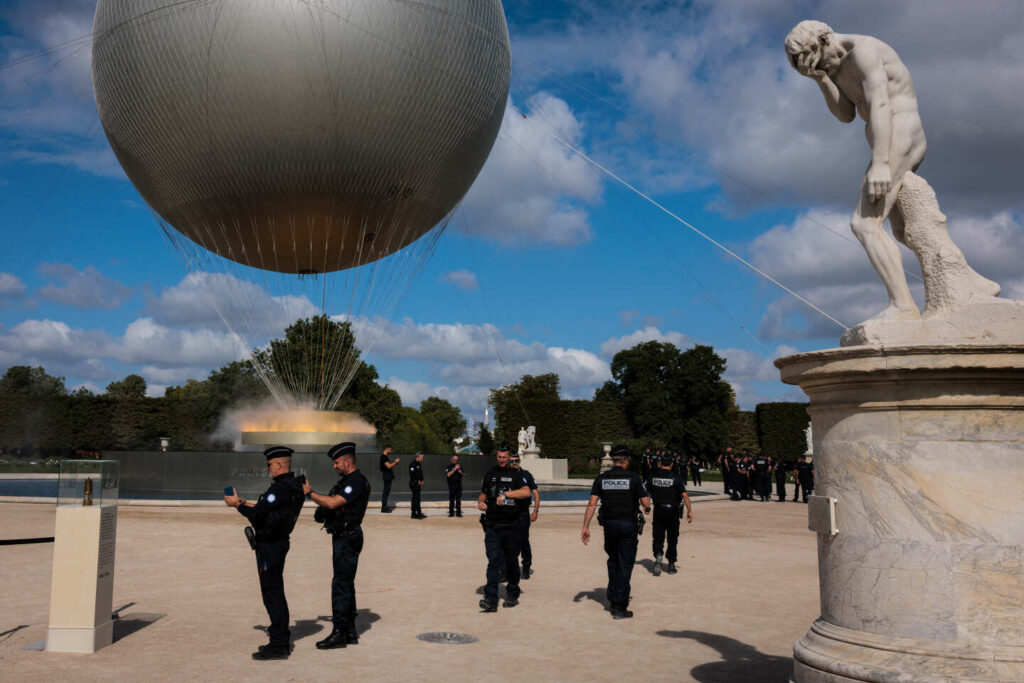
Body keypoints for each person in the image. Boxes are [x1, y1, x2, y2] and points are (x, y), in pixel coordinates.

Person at [784, 21, 997, 324]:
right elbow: (845, 115)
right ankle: (973, 281)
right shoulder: (832, 67)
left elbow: (881, 104)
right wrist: (821, 78)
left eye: (822, 60)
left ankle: (902, 306)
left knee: (865, 224)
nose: (825, 66)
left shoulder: (864, 52)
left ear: (825, 38)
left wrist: (881, 162)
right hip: (888, 140)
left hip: (900, 134)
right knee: (904, 230)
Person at [223, 445, 305, 660]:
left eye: (269, 465)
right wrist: (243, 502)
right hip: (279, 542)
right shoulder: (295, 486)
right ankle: (280, 637)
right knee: (275, 590)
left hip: (270, 545)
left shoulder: (279, 488)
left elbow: (259, 515)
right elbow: (267, 509)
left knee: (272, 592)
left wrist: (236, 506)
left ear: (278, 464)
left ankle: (279, 645)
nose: (268, 468)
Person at [303, 442, 371, 649]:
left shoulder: (356, 482)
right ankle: (349, 630)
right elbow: (329, 507)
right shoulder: (346, 482)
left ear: (347, 461)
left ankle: (340, 632)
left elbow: (333, 503)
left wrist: (310, 493)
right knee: (345, 583)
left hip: (347, 537)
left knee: (340, 585)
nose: (334, 466)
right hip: (343, 536)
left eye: (336, 462)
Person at [581, 444, 651, 619]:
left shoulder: (602, 478)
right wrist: (646, 503)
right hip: (628, 525)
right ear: (626, 460)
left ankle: (612, 600)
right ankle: (620, 606)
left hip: (610, 526)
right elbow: (646, 503)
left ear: (614, 461)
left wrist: (585, 526)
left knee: (613, 562)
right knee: (625, 564)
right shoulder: (633, 478)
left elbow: (592, 504)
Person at [478, 443, 532, 612]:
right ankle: (491, 599)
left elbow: (526, 492)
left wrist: (507, 494)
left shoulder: (518, 474)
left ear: (510, 457)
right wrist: (480, 501)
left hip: (511, 526)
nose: (501, 460)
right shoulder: (490, 474)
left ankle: (512, 593)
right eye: (499, 457)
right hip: (493, 526)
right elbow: (484, 492)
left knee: (511, 561)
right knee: (493, 561)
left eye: (504, 457)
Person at [646, 454, 693, 576]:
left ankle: (658, 556)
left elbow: (645, 492)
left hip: (659, 510)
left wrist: (646, 507)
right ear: (671, 464)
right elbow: (685, 496)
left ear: (660, 463)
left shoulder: (653, 477)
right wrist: (689, 511)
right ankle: (671, 564)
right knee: (672, 538)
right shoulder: (676, 478)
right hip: (673, 511)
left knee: (658, 536)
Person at [510, 454, 539, 579]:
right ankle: (508, 569)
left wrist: (535, 511)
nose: (514, 463)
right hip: (508, 513)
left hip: (522, 513)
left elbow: (535, 494)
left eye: (516, 460)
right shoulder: (505, 474)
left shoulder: (526, 474)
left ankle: (526, 567)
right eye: (512, 461)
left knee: (523, 541)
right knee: (509, 542)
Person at [378, 445, 399, 513]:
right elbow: (389, 466)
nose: (391, 451)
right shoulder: (384, 457)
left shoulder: (385, 457)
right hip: (387, 476)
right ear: (387, 449)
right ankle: (384, 508)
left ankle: (385, 507)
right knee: (386, 492)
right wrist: (395, 462)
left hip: (387, 475)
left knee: (386, 491)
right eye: (390, 449)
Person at [408, 452, 425, 519]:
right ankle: (414, 514)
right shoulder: (412, 464)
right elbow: (412, 474)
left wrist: (422, 480)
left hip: (418, 484)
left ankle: (418, 512)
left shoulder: (419, 464)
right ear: (417, 457)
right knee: (415, 499)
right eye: (422, 457)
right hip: (414, 484)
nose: (422, 458)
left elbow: (420, 473)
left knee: (418, 499)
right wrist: (417, 481)